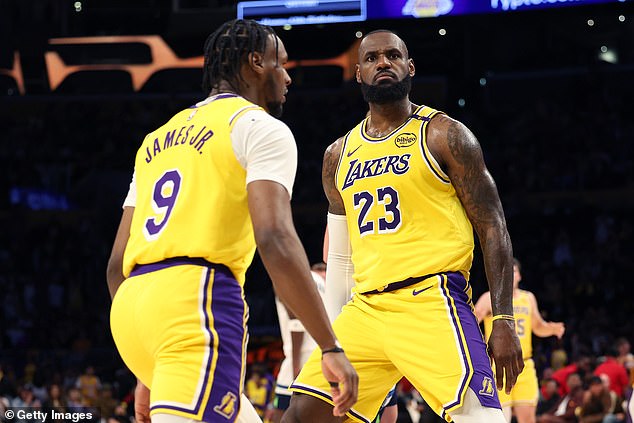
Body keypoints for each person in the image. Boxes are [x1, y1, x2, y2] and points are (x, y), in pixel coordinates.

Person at [106, 19, 358, 423]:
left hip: (132, 309)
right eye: (281, 63)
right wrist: (330, 346)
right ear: (256, 62)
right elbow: (274, 238)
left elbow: (116, 265)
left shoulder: (155, 139)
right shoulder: (260, 128)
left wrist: (146, 362)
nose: (288, 77)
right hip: (195, 304)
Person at [282, 29, 523, 423]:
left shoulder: (445, 134)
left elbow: (493, 226)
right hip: (366, 309)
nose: (383, 63)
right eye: (372, 58)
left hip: (431, 300)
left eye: (392, 56)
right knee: (301, 415)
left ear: (409, 67)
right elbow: (341, 259)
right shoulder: (337, 155)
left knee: (481, 419)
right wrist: (332, 342)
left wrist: (503, 318)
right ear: (358, 72)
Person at [474, 258, 566, 423]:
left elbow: (538, 326)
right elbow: (474, 319)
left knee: (528, 419)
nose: (509, 274)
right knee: (500, 418)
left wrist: (552, 329)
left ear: (519, 276)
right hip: (498, 366)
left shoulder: (528, 298)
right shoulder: (489, 297)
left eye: (513, 271)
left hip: (523, 365)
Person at [270, 263, 327, 423]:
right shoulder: (325, 284)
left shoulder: (286, 274)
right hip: (322, 355)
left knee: (281, 415)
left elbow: (296, 322)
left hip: (301, 357)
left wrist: (295, 363)